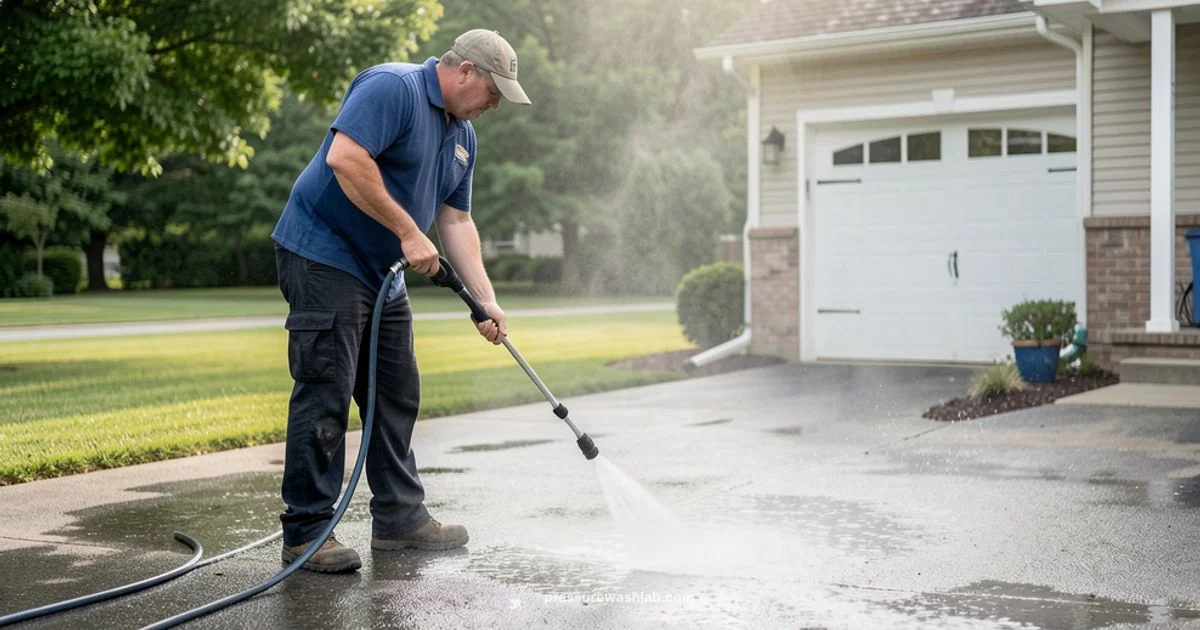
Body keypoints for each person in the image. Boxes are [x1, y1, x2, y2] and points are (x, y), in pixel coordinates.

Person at [270, 29, 531, 573]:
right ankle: (307, 533)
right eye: (493, 91)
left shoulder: (463, 136)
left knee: (397, 389)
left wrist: (486, 300)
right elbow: (345, 158)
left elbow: (455, 220)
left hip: (382, 272)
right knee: (327, 389)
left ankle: (398, 519)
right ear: (465, 72)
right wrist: (410, 232)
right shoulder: (394, 87)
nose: (495, 103)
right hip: (324, 253)